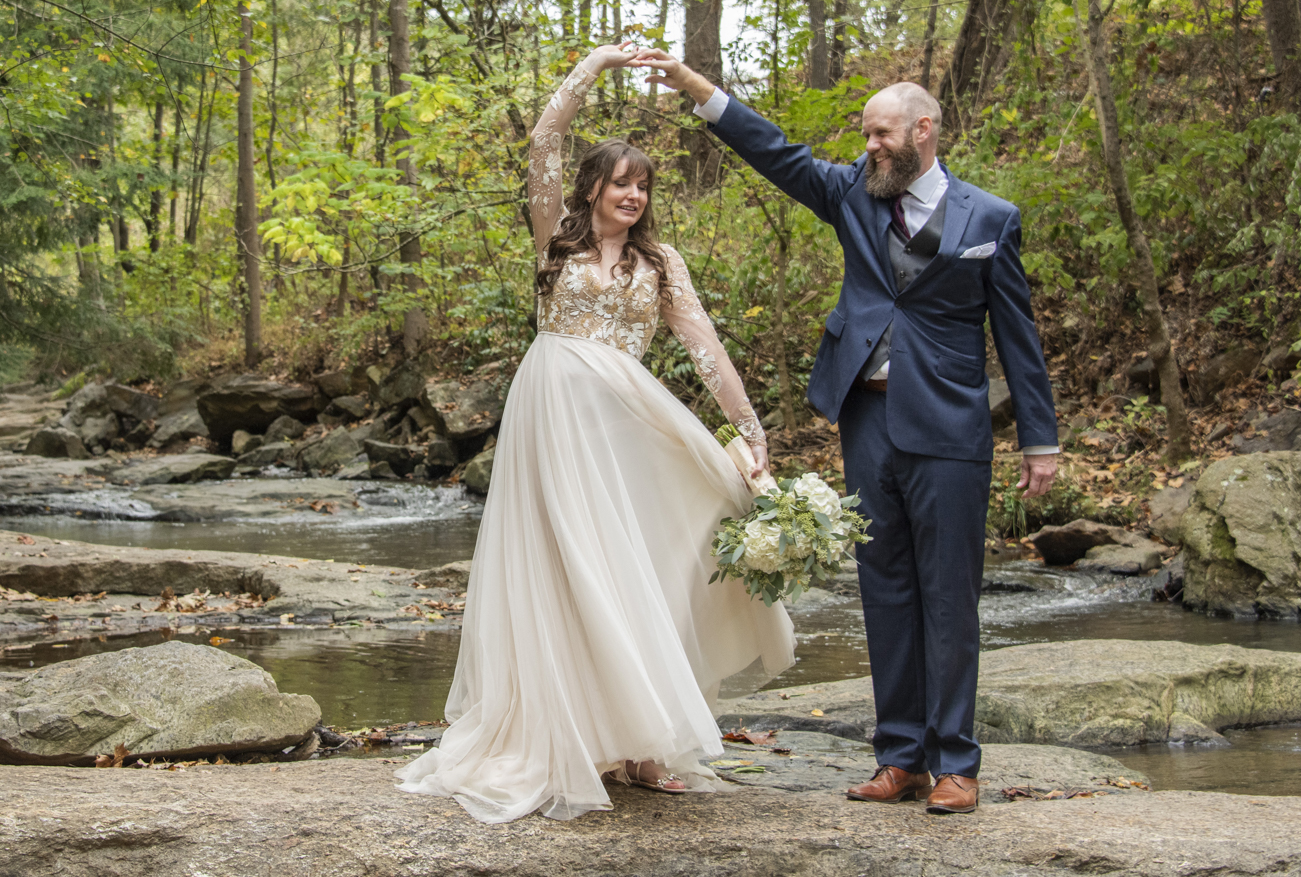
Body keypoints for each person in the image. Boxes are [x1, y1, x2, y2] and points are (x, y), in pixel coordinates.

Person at [638, 54, 1060, 816]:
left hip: (952, 427)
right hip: (867, 421)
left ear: (923, 130)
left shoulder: (989, 218)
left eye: (880, 132)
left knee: (950, 593)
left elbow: (1018, 337)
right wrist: (700, 91)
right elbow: (777, 153)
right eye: (865, 133)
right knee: (885, 587)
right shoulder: (852, 195)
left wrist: (1041, 439)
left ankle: (957, 760)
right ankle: (901, 757)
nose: (867, 145)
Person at [396, 41, 795, 823]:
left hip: (631, 423)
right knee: (567, 566)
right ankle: (570, 733)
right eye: (621, 182)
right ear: (592, 188)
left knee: (639, 564)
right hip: (552, 416)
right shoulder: (556, 237)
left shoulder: (662, 262)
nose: (634, 195)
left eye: (644, 185)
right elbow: (545, 139)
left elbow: (705, 348)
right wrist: (598, 67)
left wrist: (750, 433)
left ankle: (645, 744)